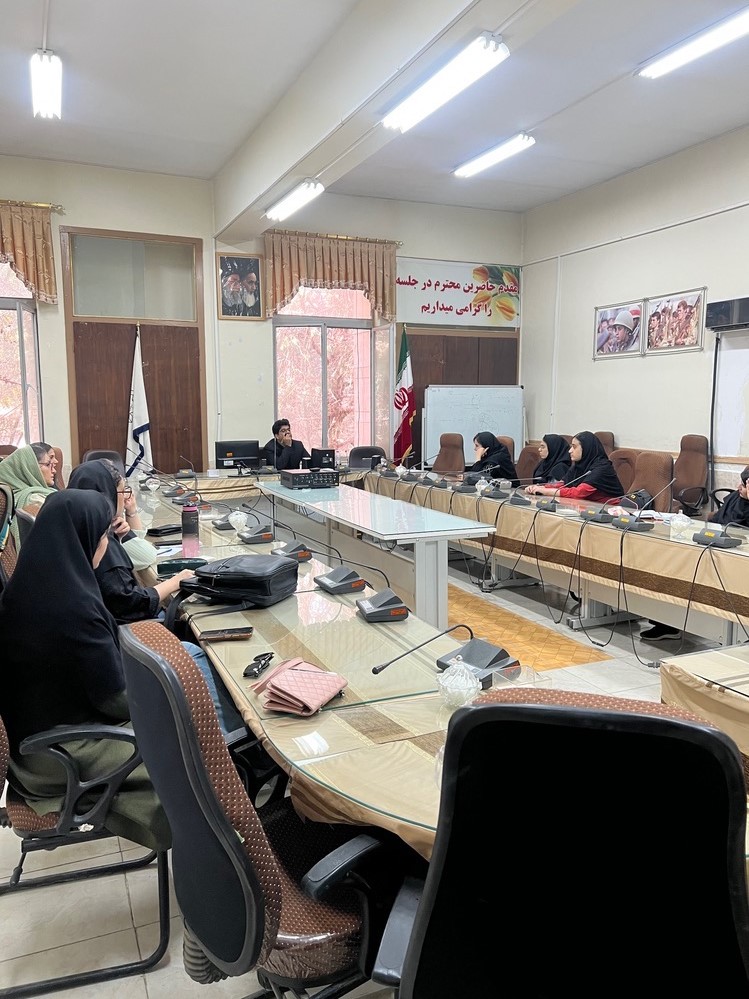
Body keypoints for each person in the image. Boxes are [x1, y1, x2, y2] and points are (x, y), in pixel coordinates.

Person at [68, 459, 194, 622]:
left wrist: (119, 539)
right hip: (127, 627)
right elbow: (130, 602)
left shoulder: (73, 527)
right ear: (108, 494)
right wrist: (176, 581)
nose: (126, 496)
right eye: (122, 491)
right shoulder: (99, 538)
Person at [641, 467, 749, 641]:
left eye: (744, 485)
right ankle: (668, 623)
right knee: (675, 566)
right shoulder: (736, 498)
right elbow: (717, 522)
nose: (738, 487)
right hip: (716, 549)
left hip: (737, 561)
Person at [526, 431, 623, 501]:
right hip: (588, 506)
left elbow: (578, 492)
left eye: (574, 447)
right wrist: (541, 487)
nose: (570, 451)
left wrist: (545, 491)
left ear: (585, 448)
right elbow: (564, 484)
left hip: (609, 509)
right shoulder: (579, 465)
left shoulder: (602, 468)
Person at [0, 443, 58, 546]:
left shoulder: (14, 495)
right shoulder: (34, 499)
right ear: (31, 468)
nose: (54, 470)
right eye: (48, 464)